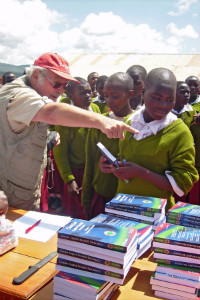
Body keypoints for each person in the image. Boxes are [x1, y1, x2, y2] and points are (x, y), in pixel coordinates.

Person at [0, 52, 138, 211]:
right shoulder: (18, 95)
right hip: (11, 193)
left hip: (19, 188)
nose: (61, 91)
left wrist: (48, 137)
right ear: (36, 75)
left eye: (65, 86)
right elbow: (50, 112)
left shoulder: (35, 94)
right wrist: (102, 121)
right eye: (57, 84)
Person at [100, 68, 199, 212]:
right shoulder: (129, 121)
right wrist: (113, 165)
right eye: (157, 98)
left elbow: (183, 182)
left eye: (169, 100)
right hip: (124, 206)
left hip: (155, 213)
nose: (163, 105)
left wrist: (141, 173)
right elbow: (127, 157)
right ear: (143, 92)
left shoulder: (179, 132)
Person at [82, 72, 134, 219]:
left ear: (130, 94)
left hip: (129, 200)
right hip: (102, 195)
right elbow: (90, 162)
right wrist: (86, 200)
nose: (109, 101)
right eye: (106, 96)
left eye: (115, 96)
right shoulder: (99, 123)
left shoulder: (139, 124)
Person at [53, 77, 101, 219]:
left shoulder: (96, 109)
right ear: (70, 96)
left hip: (95, 170)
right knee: (77, 215)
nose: (89, 96)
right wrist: (69, 179)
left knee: (95, 211)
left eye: (90, 92)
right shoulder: (65, 117)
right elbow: (60, 151)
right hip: (77, 173)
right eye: (83, 93)